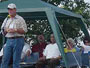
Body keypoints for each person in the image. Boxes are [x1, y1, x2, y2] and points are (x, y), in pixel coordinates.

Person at [1, 3, 27, 68]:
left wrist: (15, 30)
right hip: (9, 40)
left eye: (11, 9)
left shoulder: (20, 19)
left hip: (18, 39)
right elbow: (3, 32)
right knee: (5, 59)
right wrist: (6, 30)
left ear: (15, 10)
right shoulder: (6, 19)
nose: (10, 11)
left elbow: (25, 30)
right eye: (9, 9)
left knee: (16, 60)